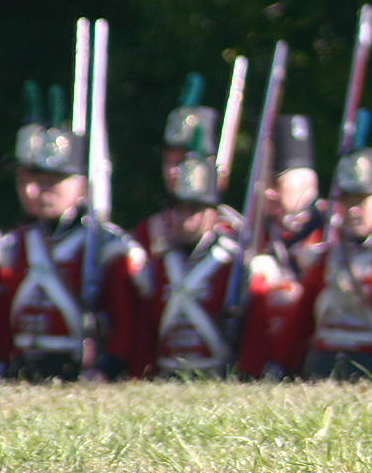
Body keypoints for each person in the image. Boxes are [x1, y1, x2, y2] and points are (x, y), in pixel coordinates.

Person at [0, 82, 149, 380]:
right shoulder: (14, 245)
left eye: (50, 181)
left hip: (78, 373)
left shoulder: (106, 245)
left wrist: (107, 369)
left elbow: (126, 323)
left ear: (79, 184)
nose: (33, 190)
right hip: (21, 374)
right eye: (26, 181)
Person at [300, 115, 372, 380]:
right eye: (347, 201)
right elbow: (301, 321)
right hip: (324, 367)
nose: (353, 210)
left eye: (362, 201)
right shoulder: (325, 256)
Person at [140, 135, 246, 377]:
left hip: (218, 375)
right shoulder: (161, 262)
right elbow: (146, 329)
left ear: (213, 213)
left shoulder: (232, 262)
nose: (186, 219)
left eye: (195, 210)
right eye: (179, 209)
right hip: (168, 374)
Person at [236, 114, 324, 379]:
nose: (267, 193)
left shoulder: (332, 229)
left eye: (277, 182)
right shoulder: (252, 233)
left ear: (307, 185)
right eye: (263, 183)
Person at [134, 73, 222, 261]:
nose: (172, 171)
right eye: (168, 161)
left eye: (181, 162)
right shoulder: (147, 233)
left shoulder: (232, 234)